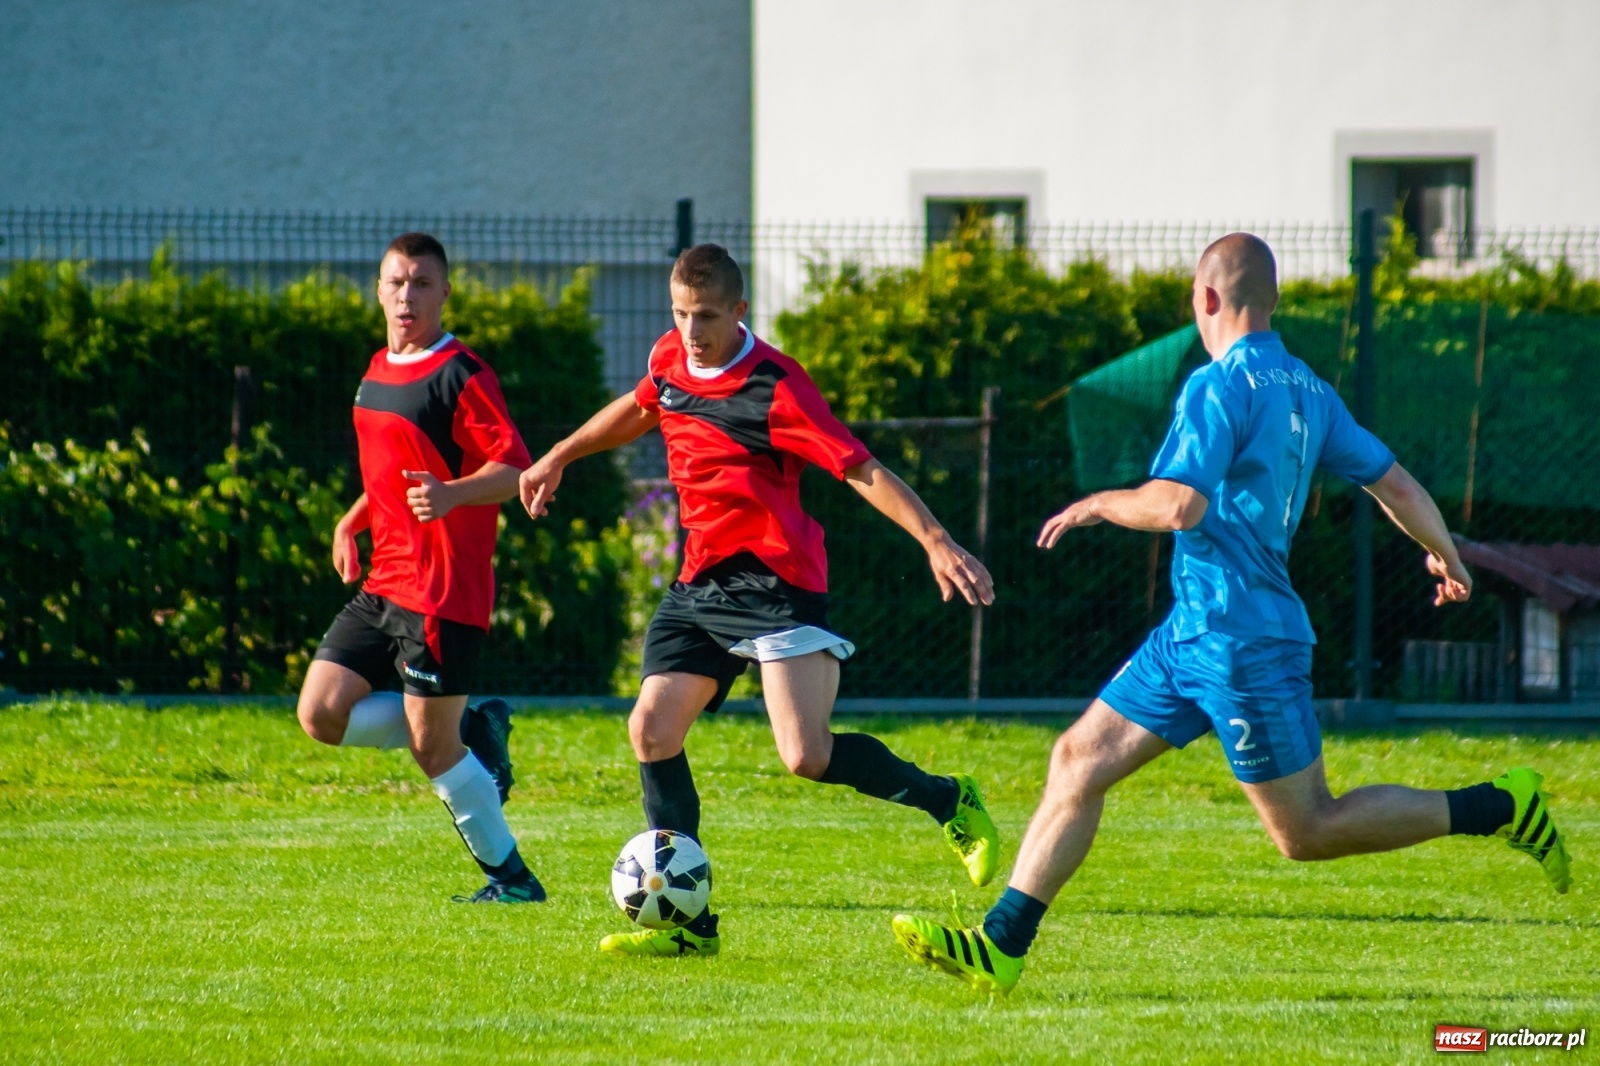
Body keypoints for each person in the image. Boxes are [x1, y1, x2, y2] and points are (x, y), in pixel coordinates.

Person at [892, 232, 1573, 994]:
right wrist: (1447, 553)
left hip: (1243, 642)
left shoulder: (1217, 386)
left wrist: (1098, 503)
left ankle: (1501, 805)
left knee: (1306, 830)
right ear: (1273, 300)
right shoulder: (1312, 391)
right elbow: (1399, 484)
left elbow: (1179, 504)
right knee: (1077, 761)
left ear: (1205, 299)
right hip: (1194, 632)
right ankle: (1002, 944)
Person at [519, 243, 1000, 956]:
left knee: (804, 755)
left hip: (779, 586)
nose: (690, 329)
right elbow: (640, 406)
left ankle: (948, 800)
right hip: (701, 583)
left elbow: (859, 468)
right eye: (680, 313)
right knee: (651, 728)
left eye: (705, 315)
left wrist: (934, 539)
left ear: (740, 311)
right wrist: (560, 454)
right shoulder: (671, 357)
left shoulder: (779, 387)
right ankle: (688, 928)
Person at [296, 232, 544, 903]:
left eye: (422, 283)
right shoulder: (377, 368)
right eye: (397, 282)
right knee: (320, 713)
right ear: (379, 289)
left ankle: (513, 881)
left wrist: (452, 493)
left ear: (445, 293)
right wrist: (354, 520)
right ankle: (471, 726)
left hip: (442, 591)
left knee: (431, 751)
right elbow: (390, 474)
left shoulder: (461, 373)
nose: (407, 295)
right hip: (385, 585)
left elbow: (515, 470)